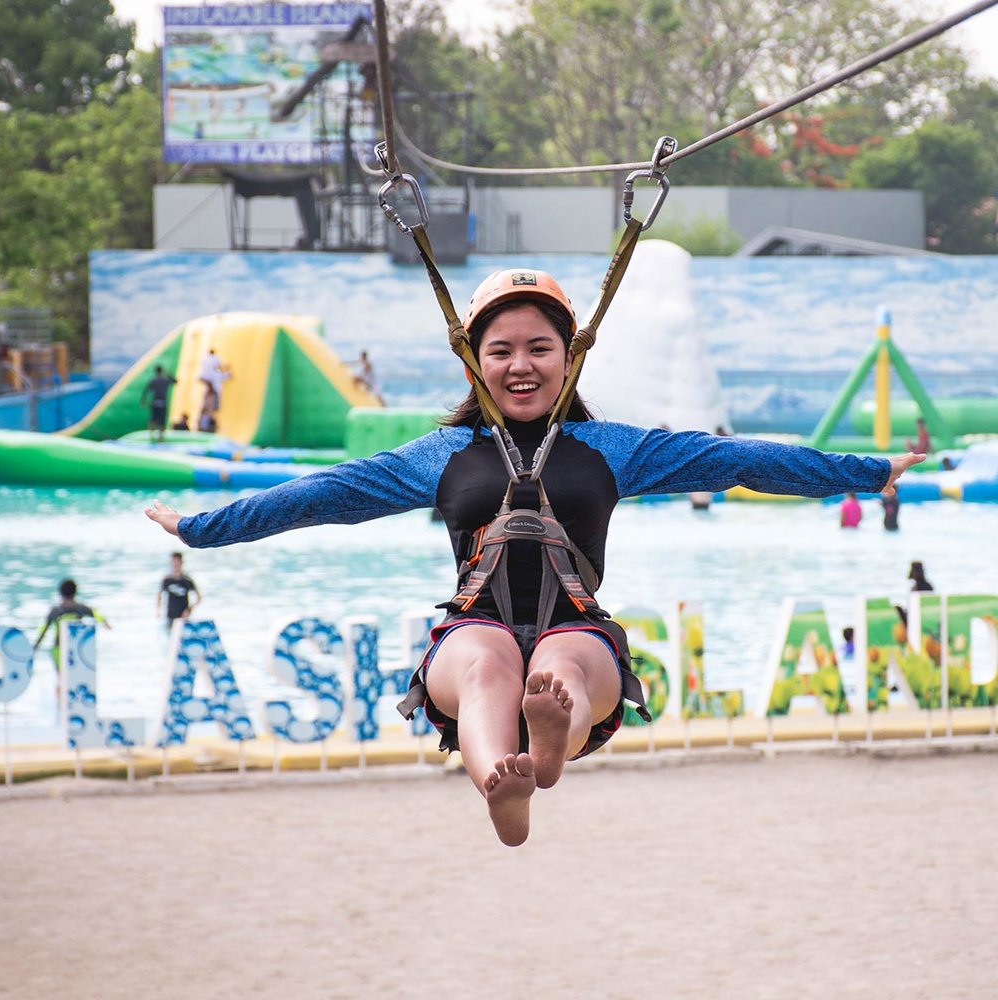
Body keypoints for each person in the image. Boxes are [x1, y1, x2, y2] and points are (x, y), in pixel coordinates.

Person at [145, 267, 923, 847]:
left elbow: (740, 461)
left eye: (540, 348)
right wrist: (206, 527)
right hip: (473, 626)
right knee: (488, 666)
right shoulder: (440, 455)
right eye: (502, 350)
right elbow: (320, 495)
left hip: (575, 622)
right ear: (475, 362)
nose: (521, 365)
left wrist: (863, 472)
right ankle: (500, 781)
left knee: (564, 665)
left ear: (569, 360)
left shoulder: (617, 449)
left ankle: (549, 748)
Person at [34, 579, 112, 678]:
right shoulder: (80, 608)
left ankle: (59, 692)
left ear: (60, 593)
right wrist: (106, 624)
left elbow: (43, 630)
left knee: (61, 679)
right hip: (75, 648)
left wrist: (35, 647)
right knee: (74, 678)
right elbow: (96, 614)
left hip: (58, 649)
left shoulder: (55, 611)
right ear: (75, 592)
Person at [158, 552, 201, 634]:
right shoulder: (167, 580)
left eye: (177, 561)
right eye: (173, 562)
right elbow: (159, 595)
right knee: (170, 638)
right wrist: (158, 611)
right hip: (170, 615)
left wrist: (189, 609)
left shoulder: (187, 580)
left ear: (182, 562)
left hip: (183, 616)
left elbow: (199, 598)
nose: (175, 564)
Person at [140, 365, 177, 443]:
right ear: (161, 371)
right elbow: (175, 381)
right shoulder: (165, 380)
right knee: (161, 421)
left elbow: (146, 391)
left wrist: (143, 401)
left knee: (153, 419)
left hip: (155, 402)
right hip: (162, 402)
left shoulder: (153, 380)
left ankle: (152, 436)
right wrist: (169, 373)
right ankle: (160, 438)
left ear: (156, 371)